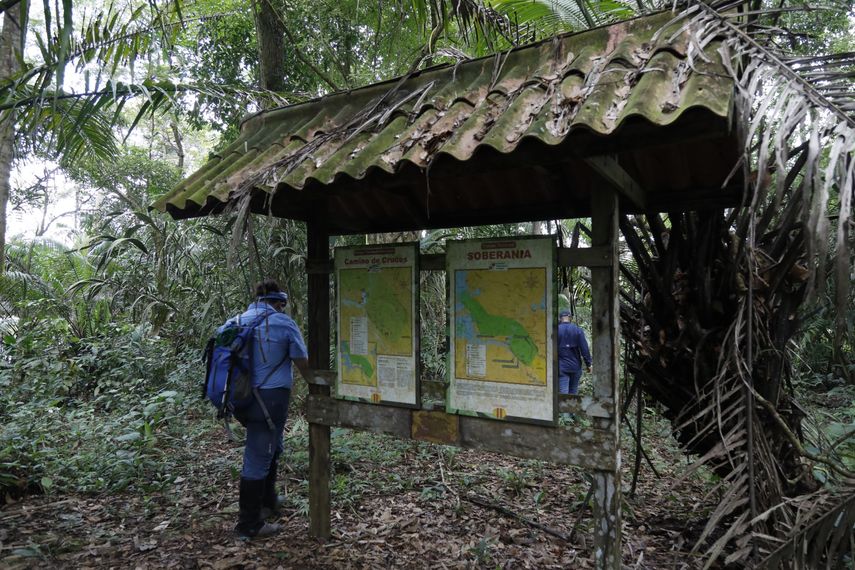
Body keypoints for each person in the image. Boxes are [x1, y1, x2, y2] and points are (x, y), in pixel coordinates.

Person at [225, 279, 310, 540]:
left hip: (240, 400)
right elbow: (302, 361)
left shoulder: (235, 321)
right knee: (258, 455)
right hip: (269, 400)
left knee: (273, 445)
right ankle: (248, 524)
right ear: (278, 303)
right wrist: (318, 387)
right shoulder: (283, 323)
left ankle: (268, 501)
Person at [557, 309, 591, 395]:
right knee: (573, 394)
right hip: (575, 367)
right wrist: (589, 364)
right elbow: (584, 349)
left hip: (561, 367)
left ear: (560, 318)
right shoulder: (578, 330)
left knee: (563, 394)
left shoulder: (556, 330)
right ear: (570, 317)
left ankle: (562, 408)